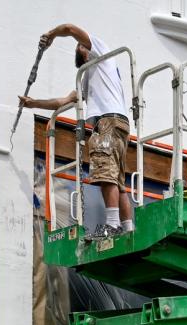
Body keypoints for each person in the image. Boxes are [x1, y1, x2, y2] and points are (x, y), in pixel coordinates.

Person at [19, 24, 134, 239]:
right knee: (118, 181)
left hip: (108, 121)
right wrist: (34, 104)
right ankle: (128, 228)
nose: (81, 45)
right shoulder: (89, 75)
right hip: (120, 123)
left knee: (105, 174)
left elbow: (70, 28)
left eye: (82, 44)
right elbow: (64, 101)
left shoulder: (101, 52)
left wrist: (51, 35)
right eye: (79, 46)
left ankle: (112, 226)